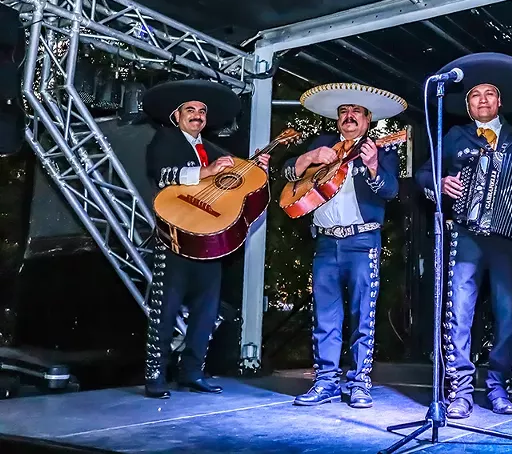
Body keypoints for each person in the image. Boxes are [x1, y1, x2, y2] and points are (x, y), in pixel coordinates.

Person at [416, 53, 512, 419]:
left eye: (489, 94)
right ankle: (460, 391)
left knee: (507, 314)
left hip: (510, 238)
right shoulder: (454, 136)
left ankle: (498, 387)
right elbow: (424, 174)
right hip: (465, 234)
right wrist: (439, 183)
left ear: (499, 101)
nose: (482, 99)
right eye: (475, 95)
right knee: (458, 312)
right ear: (467, 103)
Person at [141, 79, 269, 399]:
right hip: (174, 239)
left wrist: (258, 166)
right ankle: (155, 373)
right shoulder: (164, 139)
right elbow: (162, 174)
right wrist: (204, 172)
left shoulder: (213, 149)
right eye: (190, 110)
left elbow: (237, 177)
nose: (197, 115)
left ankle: (192, 372)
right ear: (177, 116)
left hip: (208, 243)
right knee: (165, 309)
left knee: (206, 310)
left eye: (201, 111)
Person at [282, 83, 405, 409]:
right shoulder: (322, 145)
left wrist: (375, 166)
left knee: (363, 314)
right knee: (326, 315)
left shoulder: (383, 150)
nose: (349, 117)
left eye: (356, 112)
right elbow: (285, 173)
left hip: (363, 239)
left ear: (368, 120)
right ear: (338, 119)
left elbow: (390, 191)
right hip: (325, 241)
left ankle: (360, 383)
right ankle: (325, 382)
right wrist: (309, 156)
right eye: (344, 112)